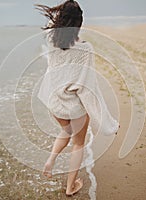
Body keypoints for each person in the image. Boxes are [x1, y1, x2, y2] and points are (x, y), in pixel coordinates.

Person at [36, 0, 119, 196]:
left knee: (66, 130)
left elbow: (53, 32)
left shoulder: (50, 39)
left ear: (60, 20)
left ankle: (50, 160)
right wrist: (108, 124)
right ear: (79, 23)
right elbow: (87, 87)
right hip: (72, 104)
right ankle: (70, 187)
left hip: (53, 100)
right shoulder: (85, 48)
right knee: (78, 143)